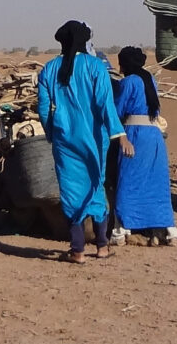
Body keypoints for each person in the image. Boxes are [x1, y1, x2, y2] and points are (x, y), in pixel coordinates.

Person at [37, 21, 132, 264]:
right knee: (96, 185)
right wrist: (119, 134)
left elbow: (44, 108)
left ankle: (77, 250)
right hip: (94, 139)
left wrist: (52, 133)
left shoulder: (48, 69)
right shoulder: (95, 67)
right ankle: (102, 246)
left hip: (64, 140)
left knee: (70, 191)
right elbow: (104, 104)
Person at [110, 46, 177, 246]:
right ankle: (170, 231)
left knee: (128, 181)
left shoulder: (128, 82)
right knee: (157, 183)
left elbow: (117, 110)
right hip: (154, 136)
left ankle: (120, 231)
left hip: (134, 134)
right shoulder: (151, 80)